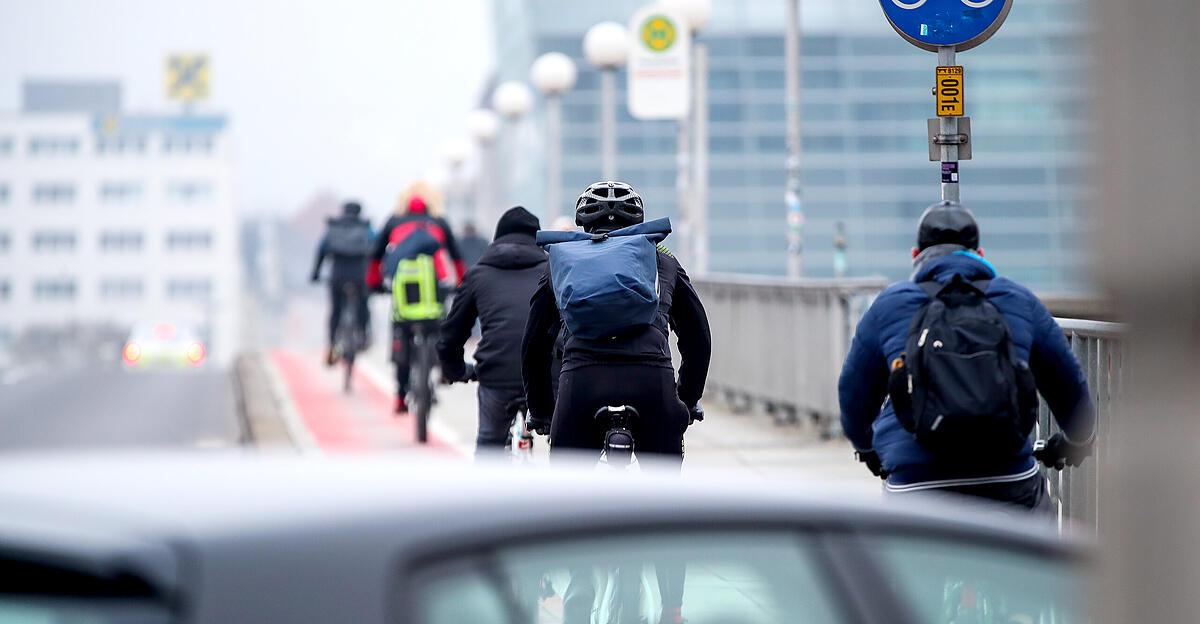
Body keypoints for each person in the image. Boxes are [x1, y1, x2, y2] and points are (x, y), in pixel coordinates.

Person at [522, 181, 709, 624]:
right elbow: (697, 338)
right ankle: (672, 607)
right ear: (640, 225)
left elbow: (532, 347)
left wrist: (543, 411)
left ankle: (578, 594)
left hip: (581, 384)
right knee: (667, 503)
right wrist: (686, 400)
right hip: (652, 381)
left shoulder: (560, 264)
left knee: (570, 498)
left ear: (582, 225)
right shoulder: (664, 264)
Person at [838, 201, 1095, 512]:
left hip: (917, 484)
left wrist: (868, 448)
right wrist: (1077, 441)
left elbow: (853, 394)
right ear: (981, 256)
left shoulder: (890, 305)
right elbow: (1069, 384)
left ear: (915, 256)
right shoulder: (1017, 299)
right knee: (1038, 554)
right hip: (1007, 479)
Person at [438, 207, 546, 455]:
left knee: (489, 445)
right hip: (545, 378)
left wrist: (456, 370)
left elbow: (452, 333)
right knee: (564, 449)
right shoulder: (553, 271)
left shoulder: (478, 274)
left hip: (497, 375)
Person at [368, 183, 465, 414]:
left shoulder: (393, 221)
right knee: (440, 326)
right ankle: (442, 367)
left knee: (401, 332)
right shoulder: (439, 223)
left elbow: (375, 256)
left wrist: (374, 283)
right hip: (434, 290)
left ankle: (401, 396)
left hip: (404, 294)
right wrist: (462, 284)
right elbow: (456, 257)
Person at [310, 201, 372, 366]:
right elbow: (376, 249)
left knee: (335, 311)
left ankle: (331, 345)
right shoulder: (366, 228)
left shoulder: (333, 228)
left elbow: (321, 250)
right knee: (363, 306)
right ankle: (364, 335)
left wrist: (315, 273)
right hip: (360, 276)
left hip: (337, 276)